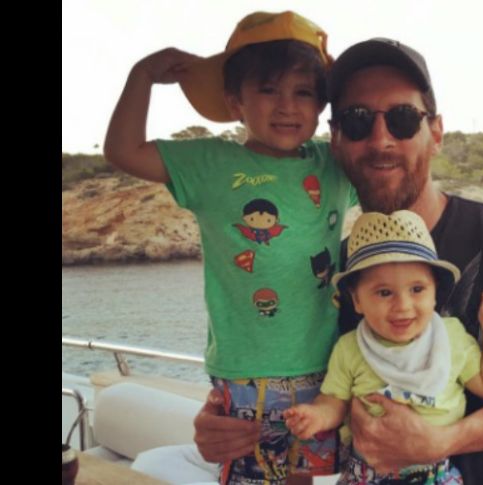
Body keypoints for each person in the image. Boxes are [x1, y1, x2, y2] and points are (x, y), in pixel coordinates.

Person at [193, 37, 483, 485]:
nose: (380, 139)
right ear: (335, 140)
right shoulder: (334, 271)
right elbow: (316, 387)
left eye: (403, 119)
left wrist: (442, 441)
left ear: (435, 133)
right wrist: (224, 422)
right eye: (357, 121)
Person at [103, 10, 358, 485]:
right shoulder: (210, 163)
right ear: (235, 100)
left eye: (304, 92)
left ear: (323, 105)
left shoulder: (333, 162)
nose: (287, 106)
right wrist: (142, 75)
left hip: (328, 364)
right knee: (251, 476)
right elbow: (122, 151)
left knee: (307, 478)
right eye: (269, 89)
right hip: (246, 369)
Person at [284, 210, 483, 484]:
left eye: (417, 289)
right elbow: (335, 401)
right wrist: (316, 416)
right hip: (366, 475)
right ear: (357, 301)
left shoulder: (450, 336)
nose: (402, 306)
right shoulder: (350, 347)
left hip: (435, 474)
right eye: (384, 293)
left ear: (435, 294)